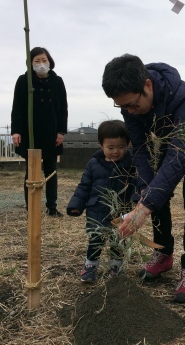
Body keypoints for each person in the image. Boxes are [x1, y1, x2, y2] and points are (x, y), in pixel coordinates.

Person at [102, 54, 185, 303]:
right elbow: (139, 147)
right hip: (172, 138)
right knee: (152, 187)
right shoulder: (131, 103)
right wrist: (145, 194)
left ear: (148, 86)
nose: (129, 111)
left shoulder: (184, 99)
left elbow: (178, 157)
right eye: (122, 107)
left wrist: (144, 207)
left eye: (132, 105)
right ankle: (163, 253)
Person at [67, 120, 136, 282]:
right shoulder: (93, 164)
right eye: (110, 148)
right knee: (96, 239)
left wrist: (139, 198)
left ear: (128, 144)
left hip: (121, 210)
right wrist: (76, 205)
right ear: (101, 145)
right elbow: (84, 186)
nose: (116, 151)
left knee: (117, 239)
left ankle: (116, 267)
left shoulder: (131, 164)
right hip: (96, 209)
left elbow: (137, 185)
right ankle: (90, 266)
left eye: (121, 147)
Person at [11, 47, 68, 217]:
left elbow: (63, 108)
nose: (41, 64)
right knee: (32, 171)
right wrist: (16, 131)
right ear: (30, 63)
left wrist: (61, 132)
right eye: (37, 61)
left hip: (51, 131)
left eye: (44, 60)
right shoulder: (24, 81)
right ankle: (31, 207)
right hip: (31, 132)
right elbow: (17, 107)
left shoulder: (57, 81)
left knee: (51, 170)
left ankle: (52, 206)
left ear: (50, 61)